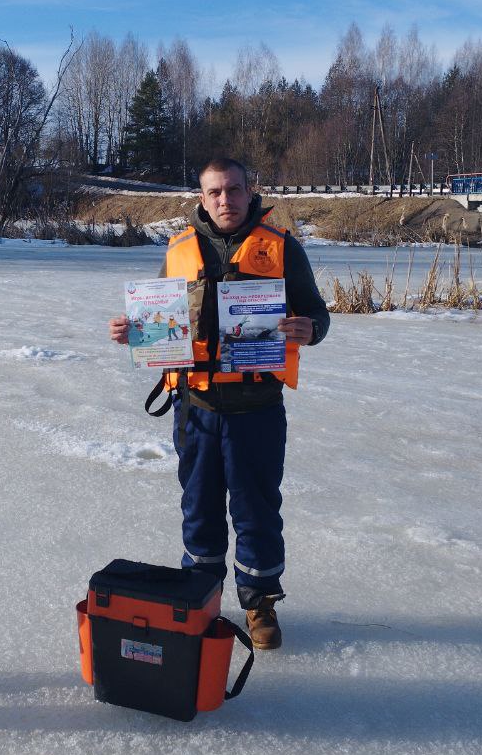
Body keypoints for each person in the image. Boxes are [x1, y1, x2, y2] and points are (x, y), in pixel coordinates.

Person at [109, 157, 330, 651]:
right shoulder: (178, 249)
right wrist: (132, 332)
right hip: (196, 407)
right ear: (202, 198)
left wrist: (311, 328)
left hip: (257, 406)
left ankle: (260, 603)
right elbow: (157, 321)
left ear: (250, 192)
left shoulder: (283, 247)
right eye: (215, 192)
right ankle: (199, 597)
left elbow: (317, 312)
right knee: (199, 507)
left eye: (233, 189)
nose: (225, 199)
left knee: (256, 508)